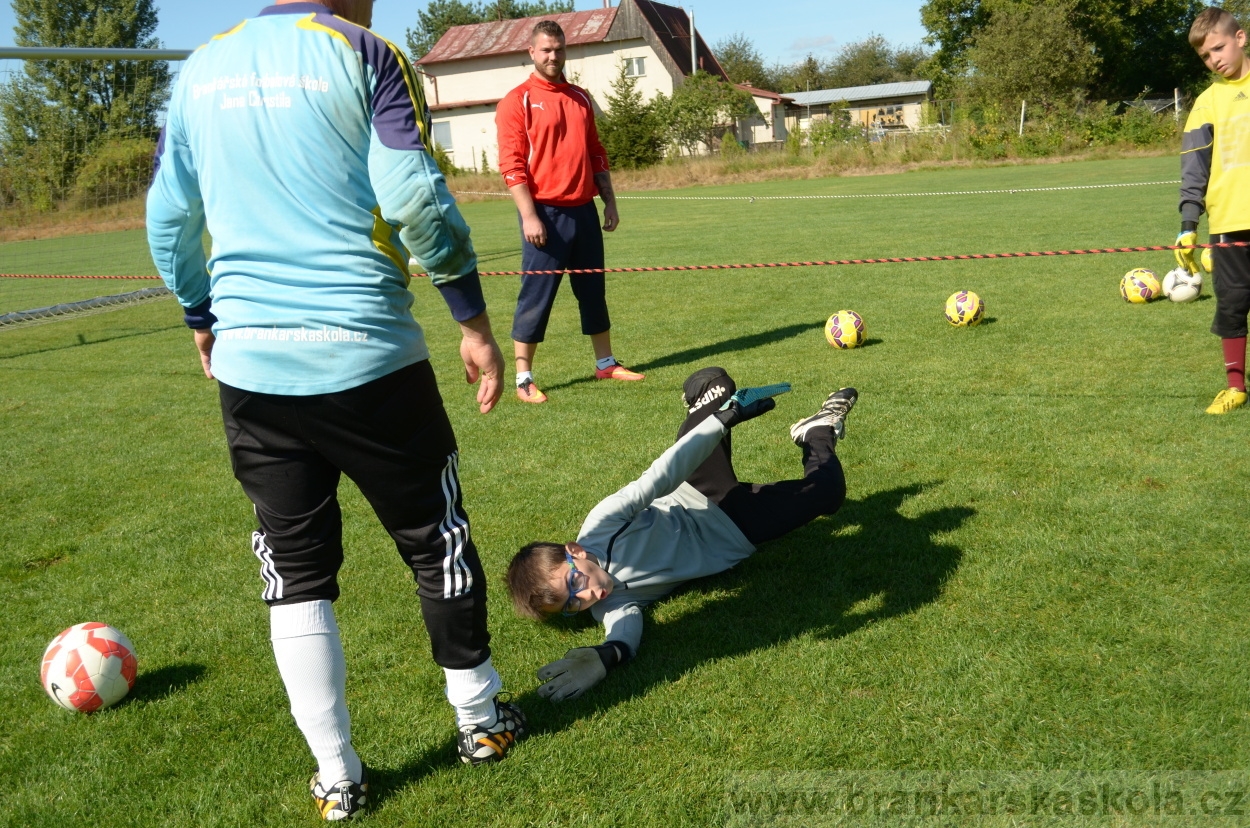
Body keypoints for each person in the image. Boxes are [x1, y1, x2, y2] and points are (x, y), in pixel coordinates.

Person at [146, 0, 524, 819]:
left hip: (252, 369)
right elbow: (414, 197)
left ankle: (338, 777)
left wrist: (201, 316)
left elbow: (169, 217)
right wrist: (472, 321)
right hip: (366, 354)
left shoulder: (200, 68)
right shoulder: (364, 52)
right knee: (436, 540)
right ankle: (480, 722)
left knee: (294, 571)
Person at [504, 368, 855, 701]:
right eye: (572, 605)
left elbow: (660, 476)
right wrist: (608, 655)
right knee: (829, 492)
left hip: (695, 485)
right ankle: (817, 430)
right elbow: (624, 628)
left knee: (715, 382)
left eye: (575, 582)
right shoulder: (608, 603)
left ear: (574, 550)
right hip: (734, 529)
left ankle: (697, 401)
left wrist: (721, 419)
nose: (589, 595)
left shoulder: (602, 522)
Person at [495, 19, 644, 404]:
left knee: (593, 291)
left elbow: (596, 151)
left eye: (558, 49)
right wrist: (529, 216)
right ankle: (524, 378)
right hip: (543, 213)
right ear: (531, 52)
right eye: (545, 50)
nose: (553, 56)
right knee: (536, 295)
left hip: (583, 211)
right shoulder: (518, 100)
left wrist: (608, 199)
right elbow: (512, 165)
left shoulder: (580, 97)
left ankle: (605, 363)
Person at [1179, 6, 1250, 414]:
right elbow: (1194, 169)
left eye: (1219, 48)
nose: (1215, 59)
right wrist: (1189, 224)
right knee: (1232, 305)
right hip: (1228, 224)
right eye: (1206, 56)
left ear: (1240, 38)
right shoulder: (1207, 104)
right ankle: (1236, 388)